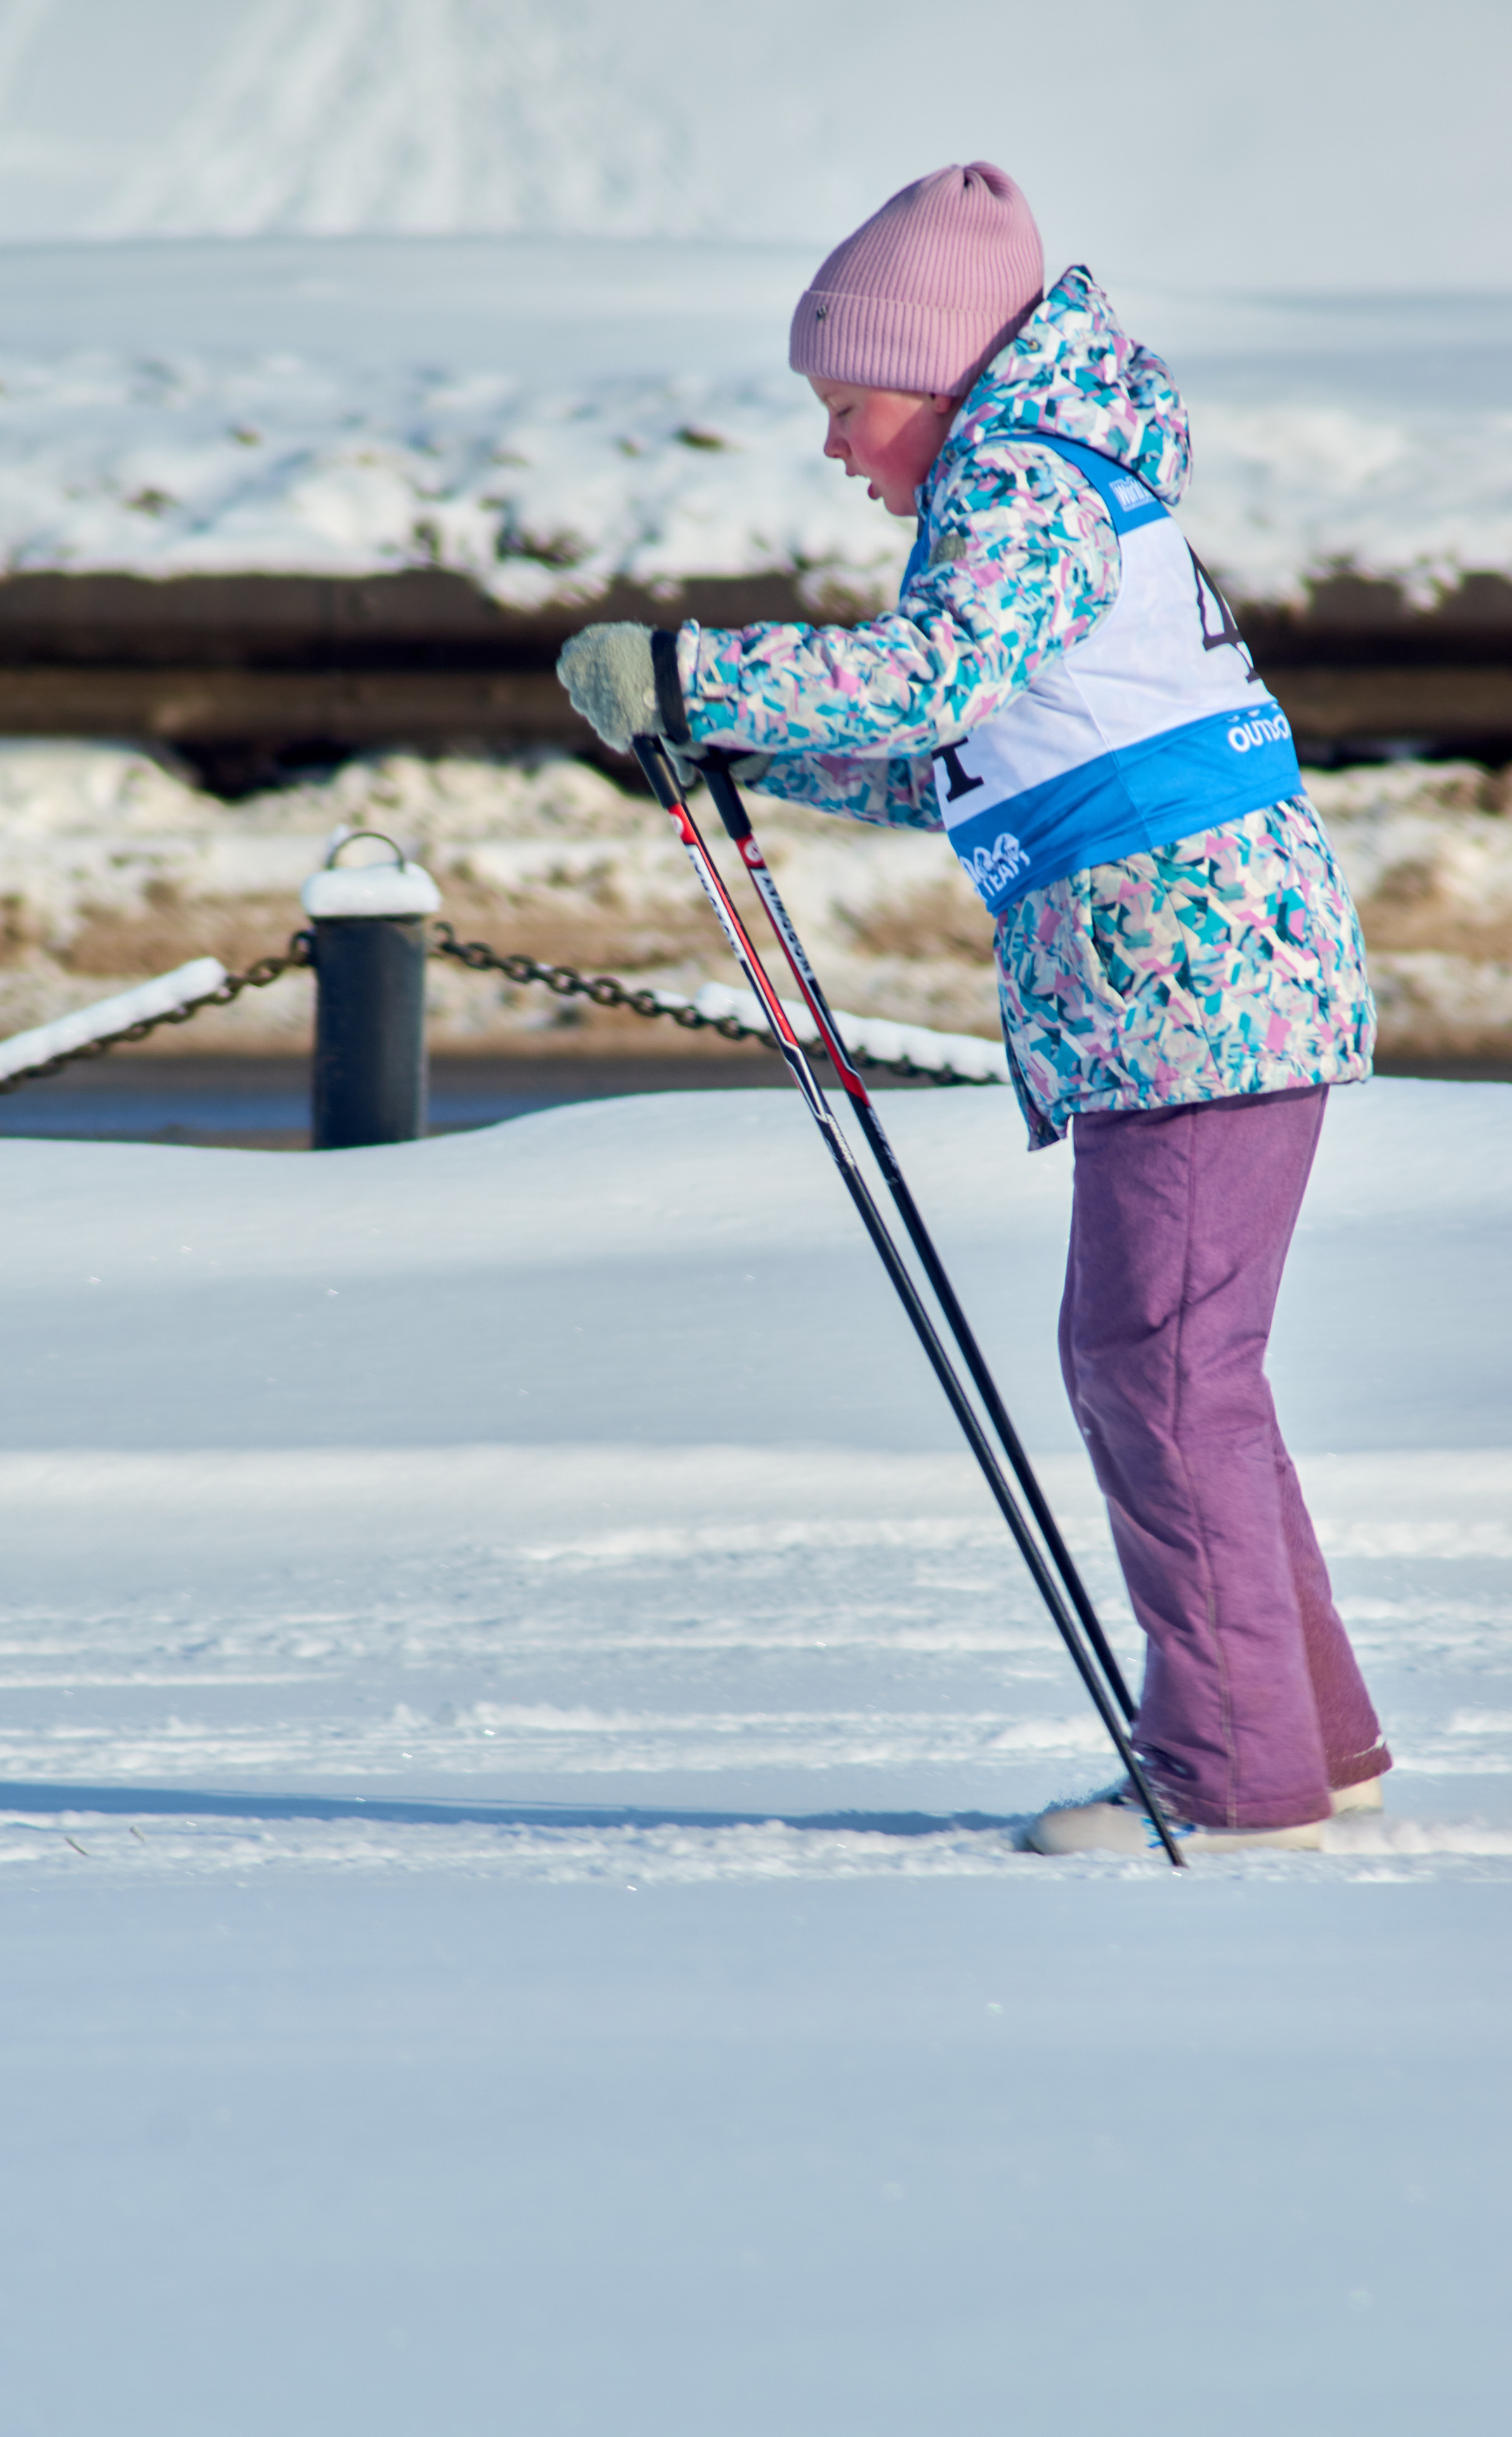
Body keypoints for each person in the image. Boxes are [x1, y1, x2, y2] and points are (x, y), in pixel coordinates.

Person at [558, 162, 1391, 1856]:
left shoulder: (1020, 483)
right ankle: (1310, 1744)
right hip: (1198, 980)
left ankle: (1239, 1779)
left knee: (1157, 1367)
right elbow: (965, 753)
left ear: (937, 378)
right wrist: (742, 748)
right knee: (1180, 1367)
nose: (836, 446)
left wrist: (690, 673)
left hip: (1200, 983)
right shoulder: (1042, 482)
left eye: (849, 404)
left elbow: (932, 676)